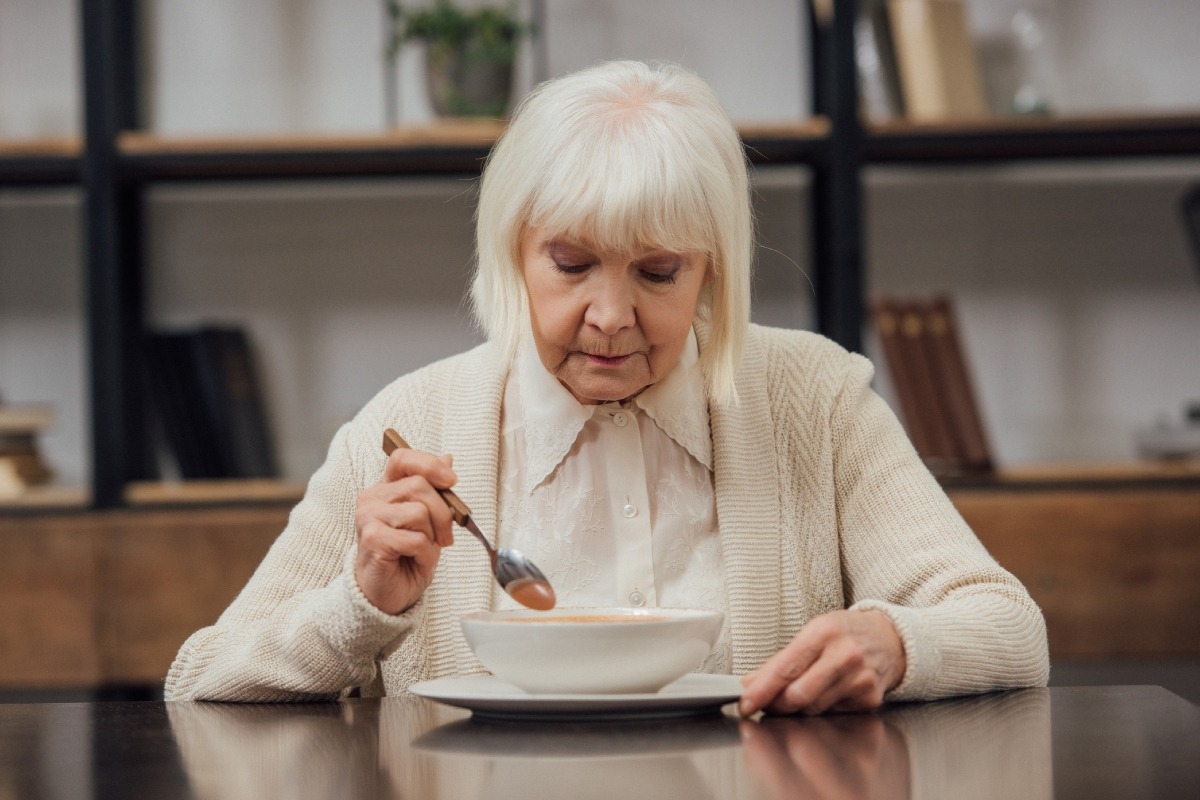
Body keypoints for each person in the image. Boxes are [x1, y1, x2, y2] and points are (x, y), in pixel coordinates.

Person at [165, 60, 1048, 713]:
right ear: (514, 252)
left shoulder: (815, 399)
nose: (612, 316)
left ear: (713, 273)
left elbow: (1008, 626)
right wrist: (363, 605)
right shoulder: (406, 424)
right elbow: (200, 680)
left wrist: (896, 643)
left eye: (658, 272)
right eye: (573, 264)